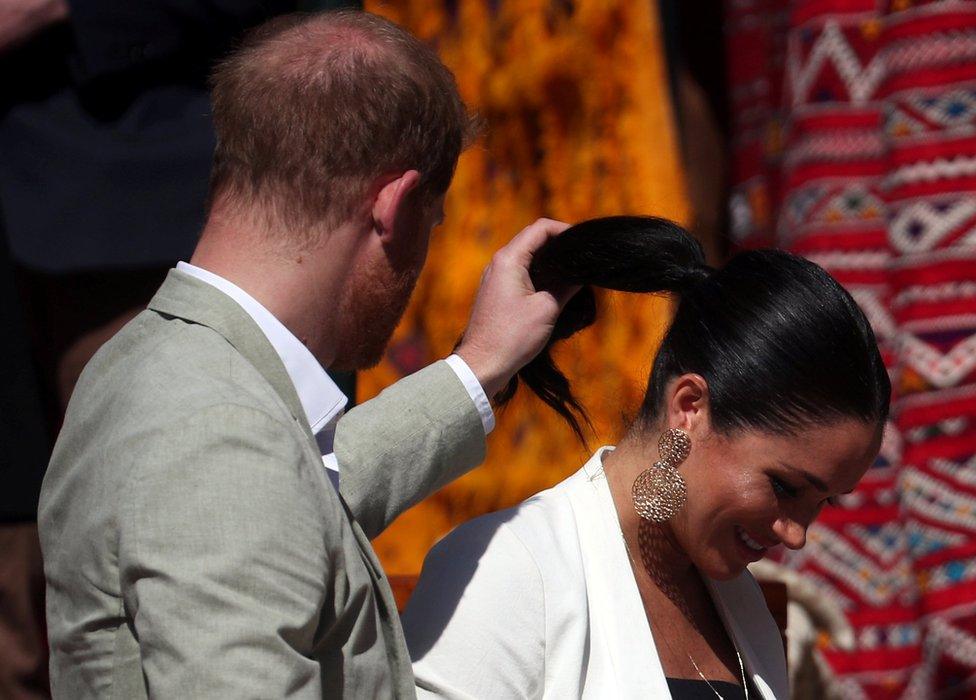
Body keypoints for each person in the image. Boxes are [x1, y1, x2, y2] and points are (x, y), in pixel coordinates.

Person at [38, 11, 575, 698]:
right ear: (397, 204)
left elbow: (295, 498)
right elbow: (251, 484)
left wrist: (481, 364)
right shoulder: (217, 436)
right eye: (431, 223)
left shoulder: (150, 364)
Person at [402, 216, 891, 699]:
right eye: (786, 487)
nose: (797, 534)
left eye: (825, 501)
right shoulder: (510, 572)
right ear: (690, 408)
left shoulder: (743, 608)